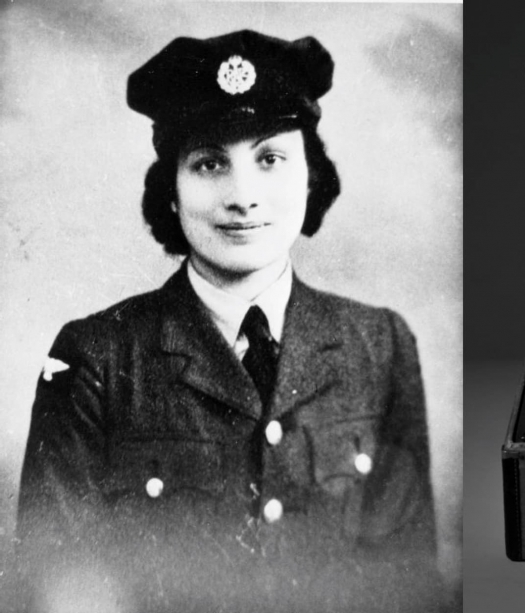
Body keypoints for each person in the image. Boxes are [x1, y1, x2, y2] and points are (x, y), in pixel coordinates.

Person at [16, 30, 440, 613]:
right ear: (171, 189)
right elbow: (55, 587)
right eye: (211, 163)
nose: (243, 196)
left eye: (270, 159)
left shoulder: (381, 342)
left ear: (310, 177)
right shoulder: (96, 357)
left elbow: (407, 581)